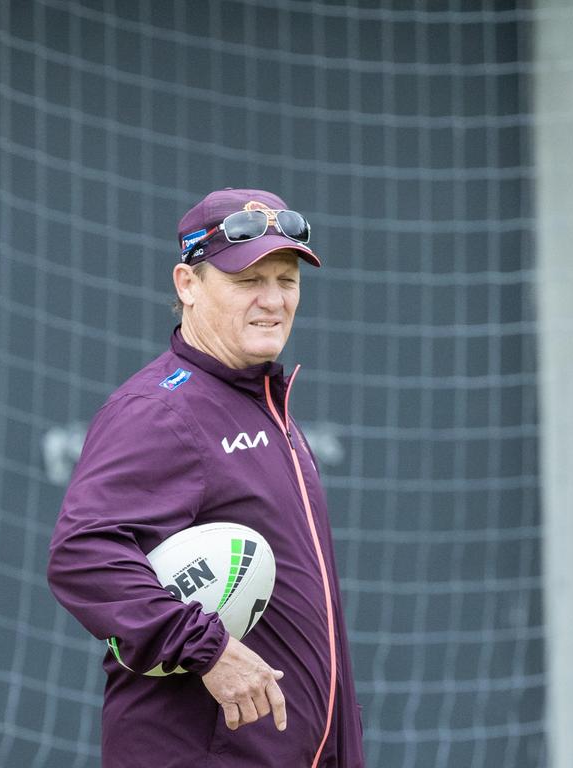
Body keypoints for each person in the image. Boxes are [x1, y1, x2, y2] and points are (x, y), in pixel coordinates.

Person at [47, 188, 365, 767]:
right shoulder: (161, 412)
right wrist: (209, 649)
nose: (273, 301)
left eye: (286, 280)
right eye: (248, 281)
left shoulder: (267, 408)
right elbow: (83, 554)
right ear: (187, 285)